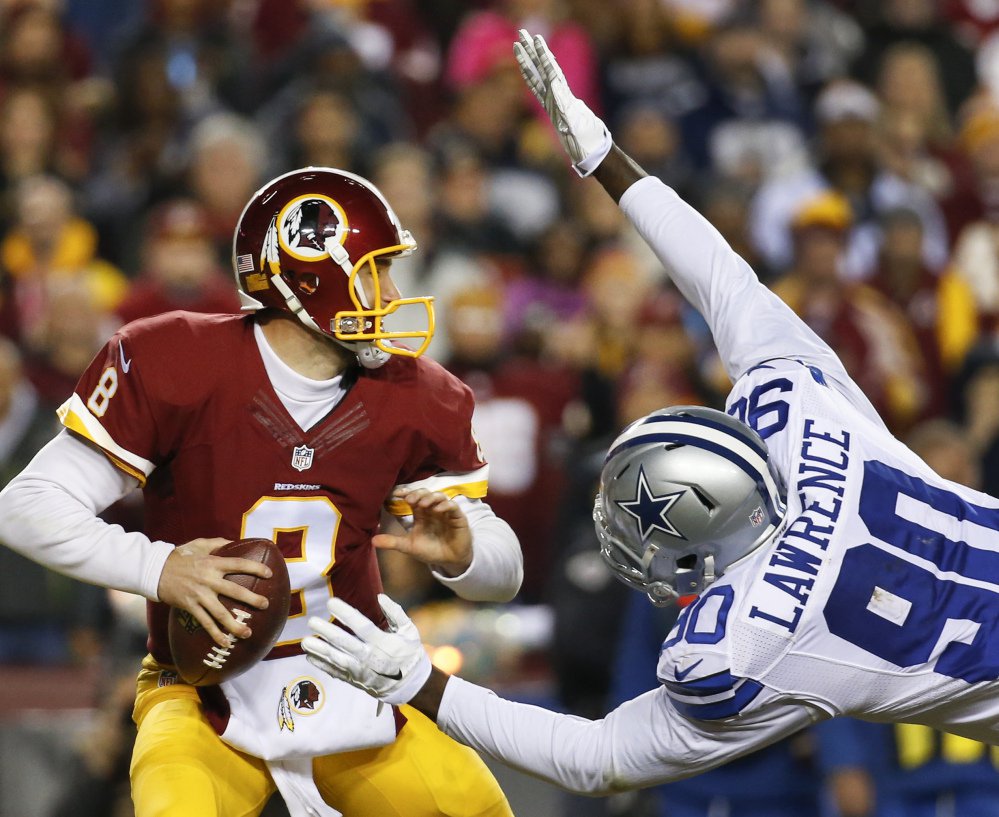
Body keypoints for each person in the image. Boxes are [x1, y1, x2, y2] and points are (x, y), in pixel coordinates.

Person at [302, 31, 999, 798]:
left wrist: (420, 685)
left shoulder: (745, 641)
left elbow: (596, 757)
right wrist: (604, 158)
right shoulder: (804, 412)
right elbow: (722, 279)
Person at [0, 166, 523, 817]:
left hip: (358, 688)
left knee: (478, 809)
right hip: (201, 689)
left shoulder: (418, 396)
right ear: (311, 276)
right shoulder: (176, 361)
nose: (391, 293)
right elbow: (24, 506)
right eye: (374, 271)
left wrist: (464, 553)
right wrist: (161, 567)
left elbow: (500, 574)